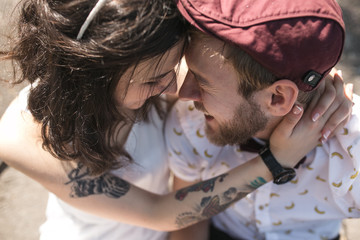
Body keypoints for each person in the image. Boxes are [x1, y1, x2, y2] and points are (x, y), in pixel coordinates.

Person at [0, 0, 352, 239]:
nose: (175, 89)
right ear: (97, 78)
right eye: (155, 79)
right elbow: (160, 211)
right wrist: (278, 160)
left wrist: (317, 83)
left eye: (174, 66)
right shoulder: (22, 136)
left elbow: (246, 62)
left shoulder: (156, 74)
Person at [166, 0, 358, 239]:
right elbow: (187, 222)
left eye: (203, 81)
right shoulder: (191, 124)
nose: (183, 94)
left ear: (278, 98)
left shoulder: (352, 150)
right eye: (190, 71)